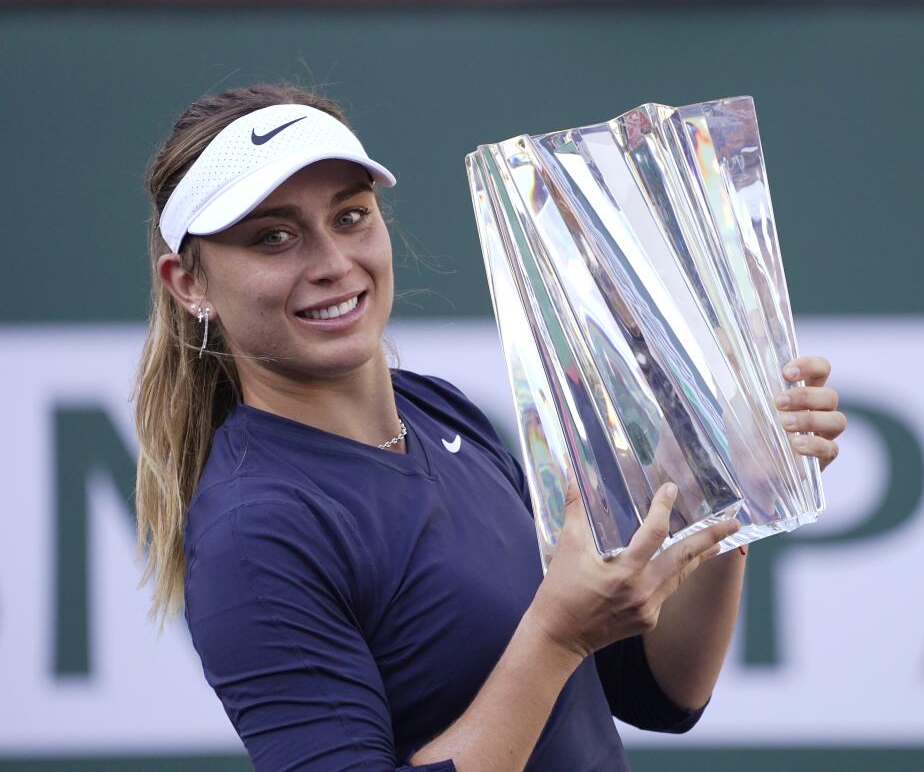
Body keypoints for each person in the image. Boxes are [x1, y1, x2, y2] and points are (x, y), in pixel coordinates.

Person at [132, 83, 846, 772]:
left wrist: (726, 485)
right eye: (274, 237)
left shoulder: (440, 412)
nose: (331, 262)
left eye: (350, 217)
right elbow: (563, 642)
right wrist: (557, 635)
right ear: (189, 284)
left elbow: (656, 692)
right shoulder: (254, 534)